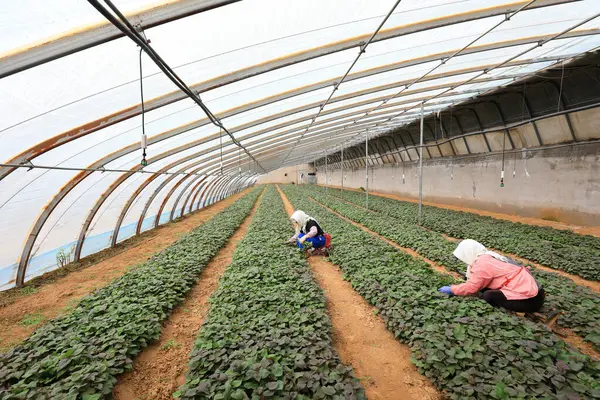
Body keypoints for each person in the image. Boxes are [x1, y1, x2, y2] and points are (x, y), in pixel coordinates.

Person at [438, 239, 545, 313]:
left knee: (488, 295)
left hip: (531, 300)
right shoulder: (487, 256)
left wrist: (452, 289)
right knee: (483, 289)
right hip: (533, 292)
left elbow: (472, 287)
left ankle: (498, 313)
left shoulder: (482, 265)